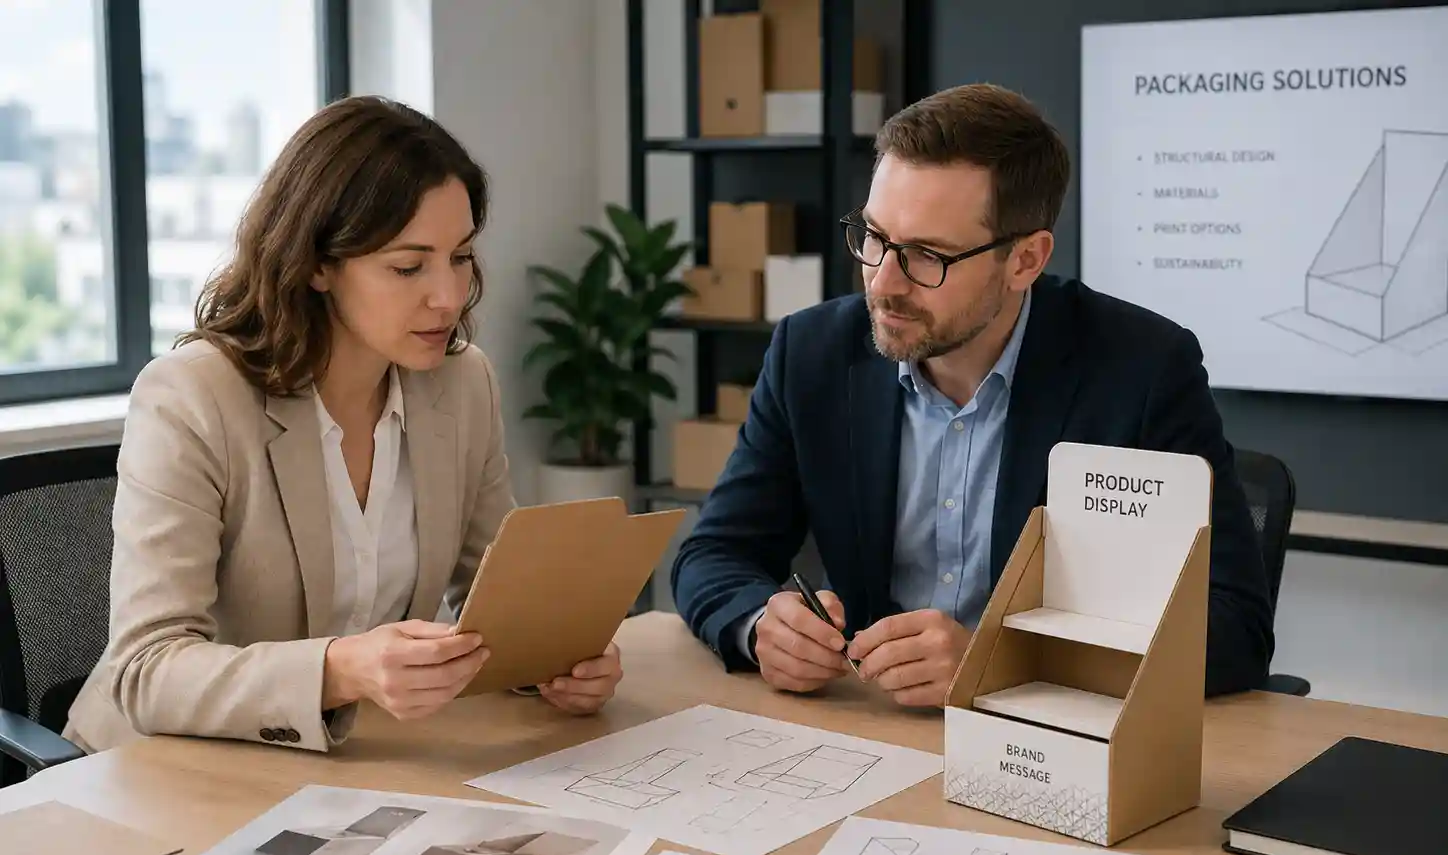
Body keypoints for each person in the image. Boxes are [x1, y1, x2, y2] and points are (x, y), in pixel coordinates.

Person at [670, 83, 1273, 705]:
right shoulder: (813, 353)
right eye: (874, 238)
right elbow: (714, 553)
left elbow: (1233, 627)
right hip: (868, 728)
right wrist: (759, 626)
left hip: (1045, 739)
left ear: (1025, 261)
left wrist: (1001, 659)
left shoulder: (1142, 369)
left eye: (928, 256)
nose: (884, 282)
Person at [64, 96, 623, 755]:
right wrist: (340, 670)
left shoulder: (462, 384)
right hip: (158, 770)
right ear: (318, 264)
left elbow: (495, 597)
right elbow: (146, 670)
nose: (447, 295)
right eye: (408, 267)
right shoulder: (192, 395)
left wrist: (554, 660)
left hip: (342, 769)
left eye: (461, 257)